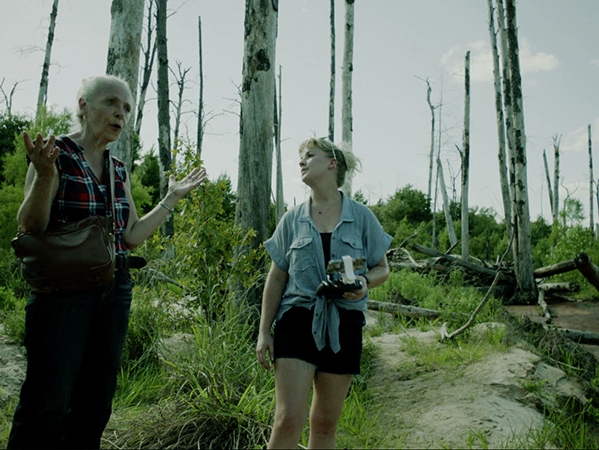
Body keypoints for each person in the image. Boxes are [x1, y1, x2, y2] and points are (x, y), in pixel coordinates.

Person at [7, 74, 207, 449]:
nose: (121, 113)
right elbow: (31, 224)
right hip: (63, 295)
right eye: (112, 103)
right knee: (47, 404)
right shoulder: (54, 153)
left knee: (94, 405)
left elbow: (130, 236)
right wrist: (46, 175)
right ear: (84, 106)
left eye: (127, 108)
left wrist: (171, 199)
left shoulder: (119, 170)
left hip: (114, 292)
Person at [256, 137, 392, 449]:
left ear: (332, 163)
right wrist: (264, 331)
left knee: (325, 426)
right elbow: (276, 278)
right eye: (300, 157)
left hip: (345, 325)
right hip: (297, 320)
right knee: (287, 420)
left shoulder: (362, 217)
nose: (301, 162)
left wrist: (363, 283)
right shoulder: (292, 219)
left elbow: (382, 268)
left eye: (309, 156)